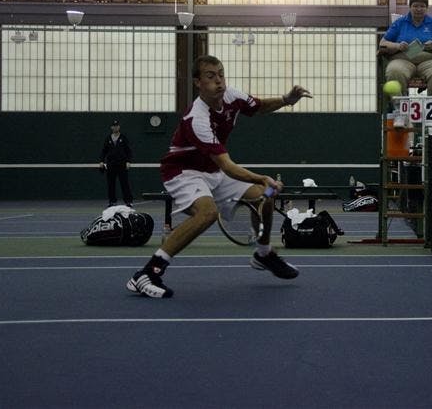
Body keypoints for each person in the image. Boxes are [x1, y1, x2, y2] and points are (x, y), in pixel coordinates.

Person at [126, 55, 312, 298]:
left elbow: (257, 107)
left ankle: (263, 253)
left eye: (221, 74)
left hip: (214, 171)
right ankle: (148, 272)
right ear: (197, 83)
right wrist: (261, 178)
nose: (219, 81)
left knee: (266, 196)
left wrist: (287, 100)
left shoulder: (231, 96)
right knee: (207, 213)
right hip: (184, 172)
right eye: (211, 76)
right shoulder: (197, 118)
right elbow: (227, 166)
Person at [378, 0, 432, 96]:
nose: (419, 9)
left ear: (427, 8)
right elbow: (383, 43)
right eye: (415, 6)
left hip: (429, 61)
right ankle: (400, 107)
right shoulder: (400, 23)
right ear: (410, 7)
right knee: (394, 71)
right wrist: (398, 46)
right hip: (402, 60)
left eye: (422, 6)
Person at [99, 120, 134, 207]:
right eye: (114, 126)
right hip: (111, 165)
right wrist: (101, 161)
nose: (115, 127)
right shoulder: (108, 138)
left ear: (119, 127)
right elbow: (104, 151)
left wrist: (128, 161)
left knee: (124, 184)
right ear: (111, 127)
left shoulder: (123, 138)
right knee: (111, 184)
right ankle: (112, 201)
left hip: (122, 164)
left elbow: (128, 151)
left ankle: (128, 201)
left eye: (117, 126)